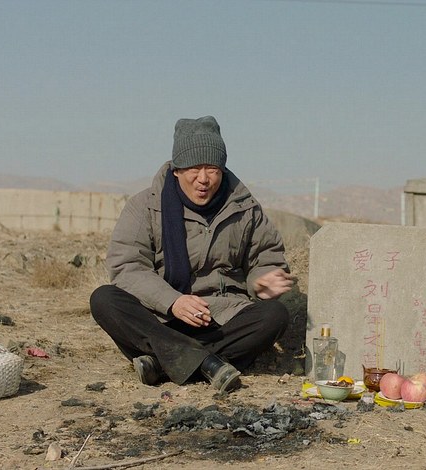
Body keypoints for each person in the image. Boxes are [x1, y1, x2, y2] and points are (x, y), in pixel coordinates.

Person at [90, 116, 293, 394]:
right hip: (160, 319)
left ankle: (163, 362)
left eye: (213, 169)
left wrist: (261, 281)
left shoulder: (245, 208)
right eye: (194, 168)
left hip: (221, 319)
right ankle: (209, 363)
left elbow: (265, 257)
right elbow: (127, 267)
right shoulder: (145, 206)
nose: (204, 179)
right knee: (104, 299)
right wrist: (173, 301)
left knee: (275, 315)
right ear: (176, 170)